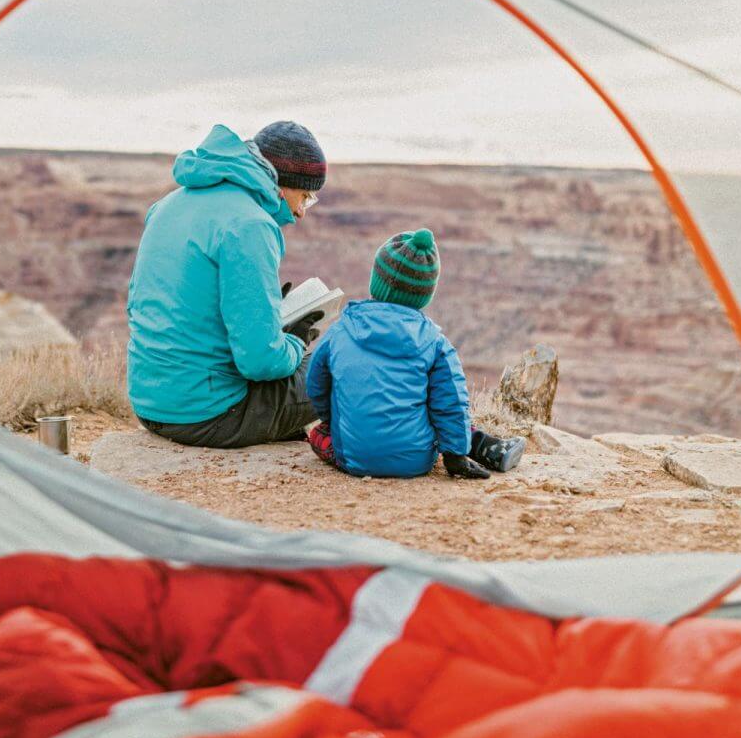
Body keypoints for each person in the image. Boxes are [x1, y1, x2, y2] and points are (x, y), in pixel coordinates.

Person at [127, 121, 327, 448]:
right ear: (280, 183)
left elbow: (149, 306)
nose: (302, 211)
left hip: (150, 403)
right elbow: (261, 361)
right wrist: (295, 342)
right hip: (209, 414)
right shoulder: (251, 225)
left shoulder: (168, 205)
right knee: (332, 371)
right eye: (304, 195)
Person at [305, 227, 525, 479]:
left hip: (353, 458)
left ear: (376, 279)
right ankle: (479, 444)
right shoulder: (435, 342)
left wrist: (334, 417)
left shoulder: (341, 330)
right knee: (433, 411)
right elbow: (450, 402)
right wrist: (455, 458)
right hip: (416, 461)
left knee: (317, 434)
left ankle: (475, 441)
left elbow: (315, 384)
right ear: (425, 295)